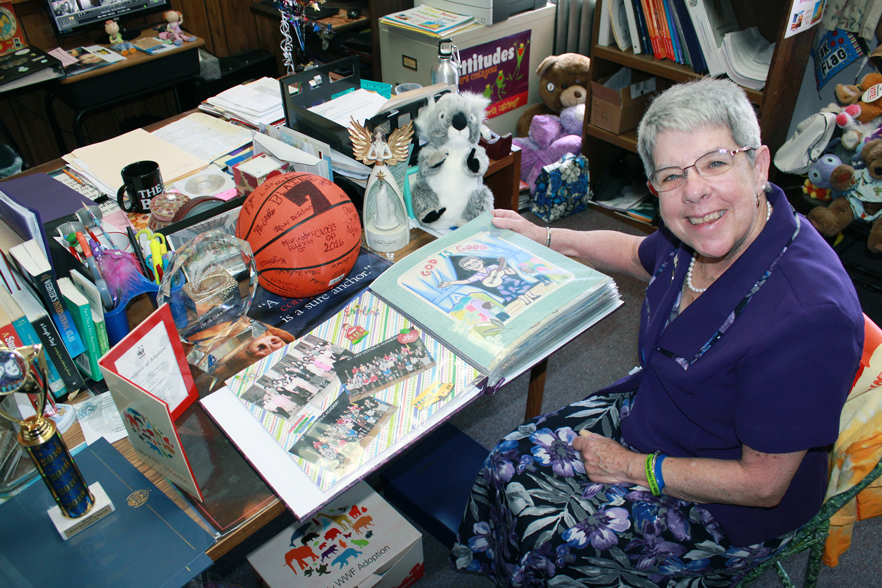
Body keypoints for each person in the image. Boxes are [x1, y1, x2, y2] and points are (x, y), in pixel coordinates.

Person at [451, 78, 864, 587]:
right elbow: (633, 254)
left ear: (758, 166)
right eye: (671, 175)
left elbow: (762, 485)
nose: (694, 191)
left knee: (557, 540)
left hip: (727, 502)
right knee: (507, 457)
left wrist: (632, 467)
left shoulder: (809, 316)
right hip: (665, 410)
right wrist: (548, 236)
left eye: (715, 162)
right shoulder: (697, 231)